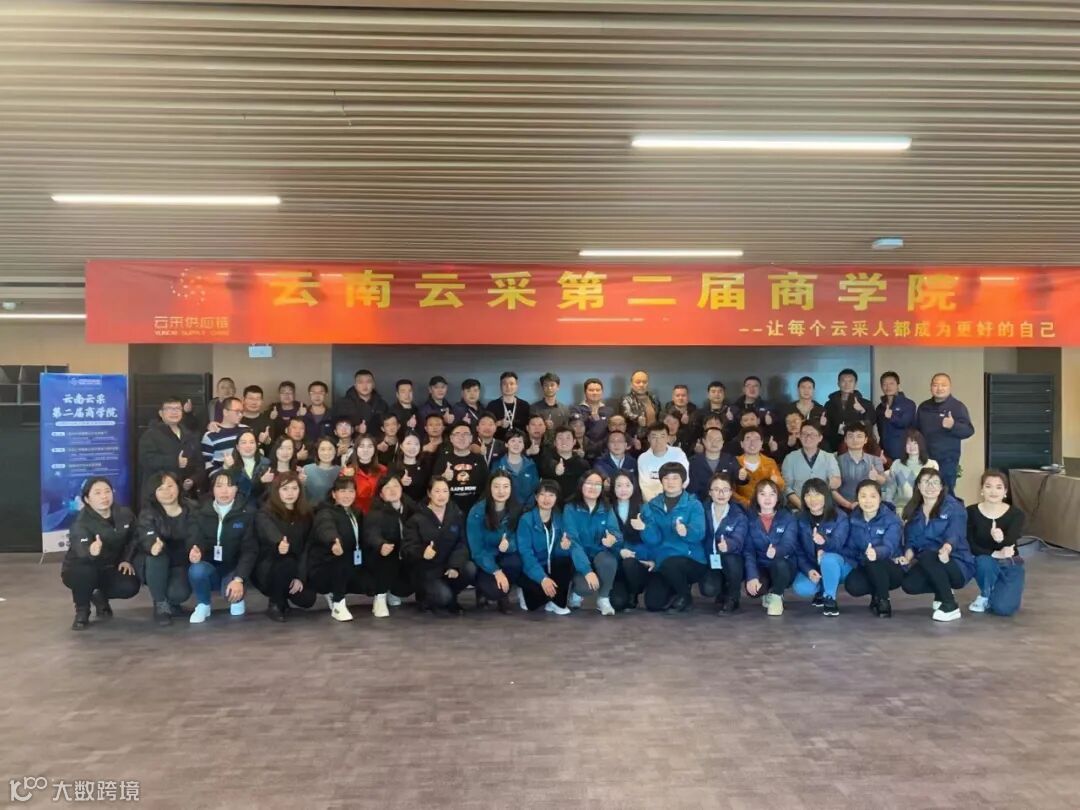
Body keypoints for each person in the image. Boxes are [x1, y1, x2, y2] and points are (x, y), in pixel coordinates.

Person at [61, 477, 140, 630]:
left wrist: (126, 560)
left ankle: (99, 595)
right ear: (87, 499)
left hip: (109, 567)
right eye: (97, 493)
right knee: (85, 571)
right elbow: (80, 548)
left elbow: (134, 538)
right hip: (80, 569)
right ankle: (82, 610)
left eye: (107, 491)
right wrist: (91, 550)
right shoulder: (81, 522)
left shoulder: (124, 513)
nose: (104, 496)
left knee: (130, 586)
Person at [900, 467, 975, 622]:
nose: (931, 486)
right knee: (909, 584)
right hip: (929, 562)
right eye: (926, 482)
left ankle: (950, 605)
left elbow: (955, 534)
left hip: (955, 562)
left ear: (941, 487)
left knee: (928, 556)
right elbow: (911, 542)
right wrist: (907, 556)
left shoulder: (954, 507)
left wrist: (947, 548)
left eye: (935, 482)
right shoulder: (913, 511)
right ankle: (943, 591)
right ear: (918, 486)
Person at [187, 470, 258, 623]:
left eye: (229, 486)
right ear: (212, 489)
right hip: (211, 566)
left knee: (234, 604)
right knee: (197, 570)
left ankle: (238, 595)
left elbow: (249, 550)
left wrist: (239, 578)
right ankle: (203, 604)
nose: (224, 491)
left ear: (236, 489)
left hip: (234, 569)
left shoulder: (247, 513)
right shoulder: (201, 512)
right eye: (219, 486)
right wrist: (195, 550)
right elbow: (194, 538)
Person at [635, 462, 706, 612]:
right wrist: (644, 528)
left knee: (671, 564)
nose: (670, 482)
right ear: (661, 481)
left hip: (690, 559)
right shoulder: (652, 506)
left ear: (683, 481)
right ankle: (675, 588)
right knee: (653, 604)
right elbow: (654, 540)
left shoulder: (694, 504)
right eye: (666, 478)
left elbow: (700, 533)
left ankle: (684, 595)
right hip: (662, 560)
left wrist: (686, 531)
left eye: (675, 478)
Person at [401, 478, 476, 613]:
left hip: (448, 566)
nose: (441, 495)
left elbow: (462, 543)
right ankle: (426, 597)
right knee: (443, 597)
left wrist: (454, 565)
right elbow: (407, 548)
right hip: (427, 571)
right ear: (429, 493)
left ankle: (451, 596)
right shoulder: (416, 518)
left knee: (470, 569)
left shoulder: (457, 514)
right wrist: (422, 552)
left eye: (445, 491)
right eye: (437, 491)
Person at [516, 479, 589, 614]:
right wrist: (542, 578)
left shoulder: (559, 518)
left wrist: (563, 547)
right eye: (543, 495)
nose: (547, 499)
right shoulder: (526, 520)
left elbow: (559, 553)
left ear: (556, 498)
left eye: (551, 495)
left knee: (565, 562)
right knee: (533, 605)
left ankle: (555, 602)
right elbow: (526, 553)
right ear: (536, 497)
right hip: (533, 568)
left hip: (552, 567)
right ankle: (525, 591)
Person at [137, 471, 197, 625]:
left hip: (181, 561)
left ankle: (171, 603)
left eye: (170, 486)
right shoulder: (148, 512)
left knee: (179, 594)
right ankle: (160, 604)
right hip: (156, 563)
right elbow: (145, 534)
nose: (167, 492)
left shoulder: (192, 508)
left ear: (178, 486)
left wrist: (196, 548)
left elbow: (196, 534)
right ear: (154, 493)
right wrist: (152, 545)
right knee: (157, 555)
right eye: (160, 489)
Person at [253, 472, 315, 621]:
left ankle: (283, 596)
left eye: (294, 488)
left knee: (307, 599)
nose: (290, 493)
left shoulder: (306, 514)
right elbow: (269, 531)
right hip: (268, 566)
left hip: (295, 565)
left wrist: (300, 577)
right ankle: (275, 603)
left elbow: (306, 548)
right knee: (286, 563)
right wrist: (278, 543)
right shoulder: (265, 513)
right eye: (285, 489)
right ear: (277, 491)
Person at [562, 471, 623, 615]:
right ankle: (576, 593)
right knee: (586, 587)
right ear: (581, 485)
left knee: (608, 561)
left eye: (597, 484)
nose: (593, 487)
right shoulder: (570, 508)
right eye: (589, 483)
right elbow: (573, 542)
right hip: (578, 557)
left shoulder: (606, 508)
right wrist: (587, 571)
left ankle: (603, 598)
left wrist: (613, 539)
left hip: (599, 553)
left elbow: (616, 533)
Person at [842, 479, 905, 617]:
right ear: (857, 499)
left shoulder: (891, 519)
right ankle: (876, 594)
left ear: (880, 498)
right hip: (864, 564)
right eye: (863, 496)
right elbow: (848, 547)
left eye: (872, 496)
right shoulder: (853, 519)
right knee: (853, 585)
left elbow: (890, 546)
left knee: (874, 560)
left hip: (891, 567)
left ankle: (884, 600)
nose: (868, 501)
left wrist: (876, 552)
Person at [967, 470, 1026, 616]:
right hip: (984, 562)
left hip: (1009, 563)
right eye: (988, 486)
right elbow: (969, 544)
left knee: (1003, 609)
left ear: (1005, 491)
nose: (993, 491)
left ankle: (995, 594)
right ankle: (986, 594)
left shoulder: (1016, 514)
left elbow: (1010, 542)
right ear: (982, 490)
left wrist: (1000, 540)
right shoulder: (970, 512)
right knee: (984, 562)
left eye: (999, 487)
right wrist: (995, 553)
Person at [307, 476, 366, 622]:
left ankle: (334, 592)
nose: (347, 495)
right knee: (340, 560)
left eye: (351, 491)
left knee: (368, 583)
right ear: (334, 494)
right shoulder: (325, 512)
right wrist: (333, 541)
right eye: (342, 491)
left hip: (351, 562)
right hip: (324, 565)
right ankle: (338, 604)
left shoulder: (356, 512)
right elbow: (326, 528)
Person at [466, 471, 525, 613]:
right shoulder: (477, 511)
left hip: (504, 556)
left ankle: (504, 595)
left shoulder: (517, 509)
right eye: (496, 486)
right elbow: (477, 549)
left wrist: (509, 545)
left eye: (505, 486)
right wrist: (496, 571)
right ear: (489, 488)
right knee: (492, 591)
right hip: (483, 559)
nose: (501, 491)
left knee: (516, 562)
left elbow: (520, 538)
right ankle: (482, 590)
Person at [790, 480, 851, 616]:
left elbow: (839, 544)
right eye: (808, 495)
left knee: (828, 559)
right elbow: (798, 550)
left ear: (826, 496)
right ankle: (821, 589)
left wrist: (824, 542)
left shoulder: (840, 517)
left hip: (838, 564)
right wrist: (808, 570)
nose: (813, 499)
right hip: (813, 565)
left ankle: (829, 597)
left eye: (817, 494)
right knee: (801, 587)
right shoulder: (799, 519)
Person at [362, 473, 417, 616]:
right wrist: (380, 544)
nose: (392, 490)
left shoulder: (411, 508)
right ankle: (380, 597)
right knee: (386, 557)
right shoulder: (376, 513)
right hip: (383, 558)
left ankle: (394, 591)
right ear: (381, 494)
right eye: (387, 488)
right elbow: (371, 533)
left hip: (404, 556)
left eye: (396, 486)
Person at [743, 479, 798, 616]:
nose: (767, 498)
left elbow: (789, 544)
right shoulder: (749, 518)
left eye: (772, 494)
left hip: (783, 564)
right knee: (754, 591)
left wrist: (777, 551)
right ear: (756, 497)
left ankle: (777, 595)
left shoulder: (788, 517)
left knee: (780, 564)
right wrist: (752, 576)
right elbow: (748, 551)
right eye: (762, 494)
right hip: (761, 565)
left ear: (778, 497)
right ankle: (767, 591)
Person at [916, 373, 975, 494]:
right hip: (925, 459)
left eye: (943, 385)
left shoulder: (957, 407)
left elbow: (969, 430)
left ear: (950, 387)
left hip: (947, 460)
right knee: (925, 492)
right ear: (931, 387)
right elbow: (916, 431)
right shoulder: (924, 407)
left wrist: (953, 425)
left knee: (946, 493)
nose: (939, 388)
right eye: (935, 385)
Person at [698, 472, 748, 614]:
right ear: (710, 492)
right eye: (716, 489)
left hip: (731, 560)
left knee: (731, 558)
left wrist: (729, 545)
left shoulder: (739, 514)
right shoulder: (701, 510)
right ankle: (722, 589)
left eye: (725, 489)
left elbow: (739, 539)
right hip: (710, 560)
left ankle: (733, 597)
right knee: (708, 589)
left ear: (731, 492)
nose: (721, 494)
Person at [136, 395, 204, 500]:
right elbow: (146, 460)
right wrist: (175, 461)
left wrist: (193, 479)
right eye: (169, 409)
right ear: (161, 413)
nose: (174, 412)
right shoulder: (151, 435)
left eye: (177, 409)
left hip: (185, 494)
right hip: (159, 493)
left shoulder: (190, 435)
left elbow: (199, 463)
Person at [608, 470, 649, 611]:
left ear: (634, 486)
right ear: (613, 488)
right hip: (616, 561)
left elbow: (653, 539)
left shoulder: (644, 508)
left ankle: (634, 592)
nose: (623, 489)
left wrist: (644, 528)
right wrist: (619, 551)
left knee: (629, 563)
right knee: (617, 603)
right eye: (619, 485)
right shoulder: (607, 507)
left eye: (627, 485)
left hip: (637, 561)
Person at [780, 420, 841, 510]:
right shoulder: (790, 458)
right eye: (804, 434)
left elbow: (836, 480)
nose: (808, 437)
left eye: (812, 434)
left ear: (820, 438)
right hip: (798, 508)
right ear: (799, 436)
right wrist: (802, 506)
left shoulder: (829, 457)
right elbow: (786, 487)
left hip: (824, 508)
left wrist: (834, 482)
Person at [436, 422, 489, 512]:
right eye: (457, 434)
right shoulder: (443, 459)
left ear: (471, 438)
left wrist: (478, 507)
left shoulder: (479, 459)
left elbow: (486, 485)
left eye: (466, 434)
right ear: (451, 438)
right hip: (448, 508)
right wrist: (443, 477)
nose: (462, 437)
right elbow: (433, 485)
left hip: (475, 508)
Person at [881, 430, 938, 513]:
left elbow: (935, 490)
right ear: (904, 446)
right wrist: (888, 509)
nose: (912, 446)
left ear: (921, 445)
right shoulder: (897, 464)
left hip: (924, 508)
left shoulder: (931, 464)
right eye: (908, 443)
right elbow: (890, 489)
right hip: (901, 508)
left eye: (915, 443)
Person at [833, 423, 885, 512]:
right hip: (844, 507)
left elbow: (883, 481)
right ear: (845, 440)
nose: (855, 440)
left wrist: (876, 477)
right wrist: (849, 505)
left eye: (859, 436)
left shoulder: (875, 460)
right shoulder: (836, 461)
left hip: (870, 506)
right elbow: (833, 490)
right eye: (850, 436)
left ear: (865, 440)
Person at [822, 369, 874, 453]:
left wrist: (862, 410)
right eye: (843, 381)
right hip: (834, 446)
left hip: (858, 446)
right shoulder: (829, 404)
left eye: (850, 381)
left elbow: (871, 422)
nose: (847, 384)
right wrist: (823, 425)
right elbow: (827, 429)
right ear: (838, 383)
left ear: (855, 384)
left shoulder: (865, 403)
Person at [637, 421, 690, 502]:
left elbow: (684, 480)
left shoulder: (678, 453)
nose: (658, 441)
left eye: (662, 436)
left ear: (668, 438)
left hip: (677, 500)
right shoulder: (643, 458)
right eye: (654, 437)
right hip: (653, 502)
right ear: (648, 438)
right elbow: (645, 487)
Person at [733, 426, 784, 508]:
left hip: (766, 507)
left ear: (761, 443)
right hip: (741, 508)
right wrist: (746, 503)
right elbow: (730, 489)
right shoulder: (734, 462)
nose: (752, 442)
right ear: (742, 444)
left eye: (756, 439)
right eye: (748, 439)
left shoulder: (770, 462)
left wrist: (776, 481)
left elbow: (781, 485)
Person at [539, 426, 590, 504]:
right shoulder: (546, 460)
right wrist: (555, 469)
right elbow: (548, 466)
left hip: (575, 505)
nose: (564, 441)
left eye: (568, 438)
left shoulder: (583, 464)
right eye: (560, 438)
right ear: (555, 442)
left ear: (574, 442)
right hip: (551, 505)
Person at [688, 426, 739, 502]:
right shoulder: (693, 462)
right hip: (698, 503)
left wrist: (743, 476)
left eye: (718, 440)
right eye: (711, 439)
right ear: (704, 441)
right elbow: (691, 489)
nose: (714, 443)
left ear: (723, 442)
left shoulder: (730, 460)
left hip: (725, 502)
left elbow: (740, 479)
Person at [875, 371, 916, 462]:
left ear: (898, 385)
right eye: (884, 384)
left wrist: (891, 417)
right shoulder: (880, 407)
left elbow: (905, 423)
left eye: (891, 383)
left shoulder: (908, 404)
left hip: (903, 452)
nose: (888, 387)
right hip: (885, 453)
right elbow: (880, 430)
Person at [200, 396, 249, 473]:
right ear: (225, 412)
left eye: (242, 412)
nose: (240, 415)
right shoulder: (210, 436)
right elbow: (207, 465)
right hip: (223, 478)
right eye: (237, 411)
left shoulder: (246, 430)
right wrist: (221, 473)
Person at [492, 429, 539, 506]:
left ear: (523, 445)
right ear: (506, 444)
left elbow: (535, 489)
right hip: (503, 509)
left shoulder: (531, 466)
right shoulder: (497, 465)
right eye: (513, 441)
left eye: (520, 442)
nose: (516, 444)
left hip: (526, 509)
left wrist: (528, 508)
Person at [221, 429, 272, 501]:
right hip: (237, 504)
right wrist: (225, 468)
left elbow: (267, 493)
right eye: (243, 443)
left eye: (252, 442)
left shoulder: (266, 463)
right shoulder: (231, 464)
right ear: (237, 447)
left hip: (261, 504)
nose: (248, 446)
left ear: (256, 445)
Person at [340, 435, 386, 514]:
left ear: (375, 449)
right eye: (361, 446)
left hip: (378, 513)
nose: (365, 450)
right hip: (353, 512)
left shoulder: (383, 470)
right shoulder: (347, 471)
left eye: (370, 446)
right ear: (356, 449)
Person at [334, 368, 389, 433]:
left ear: (373, 385)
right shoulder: (343, 403)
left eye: (368, 382)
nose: (364, 385)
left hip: (376, 438)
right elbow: (336, 425)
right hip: (351, 439)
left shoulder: (382, 404)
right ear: (355, 385)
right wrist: (356, 428)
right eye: (360, 382)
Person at [569, 378, 613, 456]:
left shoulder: (609, 411)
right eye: (591, 390)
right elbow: (575, 429)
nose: (595, 393)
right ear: (585, 392)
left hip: (604, 451)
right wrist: (589, 420)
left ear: (602, 392)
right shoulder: (576, 409)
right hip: (583, 451)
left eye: (598, 390)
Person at [486, 371, 531, 442]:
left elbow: (529, 427)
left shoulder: (525, 406)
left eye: (511, 384)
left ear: (516, 386)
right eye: (505, 384)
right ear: (500, 386)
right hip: (498, 443)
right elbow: (486, 427)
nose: (508, 387)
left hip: (519, 444)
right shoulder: (492, 405)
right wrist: (499, 423)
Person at [621, 370, 661, 442]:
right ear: (631, 384)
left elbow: (659, 416)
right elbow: (627, 414)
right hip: (636, 439)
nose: (641, 385)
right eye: (638, 382)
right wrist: (638, 418)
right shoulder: (626, 399)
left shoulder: (654, 398)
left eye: (644, 382)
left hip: (654, 437)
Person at [393, 432, 433, 503]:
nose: (412, 447)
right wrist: (400, 483)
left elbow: (430, 488)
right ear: (401, 446)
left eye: (416, 444)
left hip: (422, 506)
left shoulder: (425, 465)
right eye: (408, 443)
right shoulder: (393, 467)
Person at [302, 437, 341, 505]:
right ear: (317, 451)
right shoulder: (307, 469)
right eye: (322, 449)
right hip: (311, 510)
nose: (326, 453)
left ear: (335, 451)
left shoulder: (340, 470)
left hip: (334, 510)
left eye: (330, 449)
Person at [238, 385, 274, 450]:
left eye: (257, 399)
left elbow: (273, 448)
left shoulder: (268, 421)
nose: (254, 402)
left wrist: (267, 441)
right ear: (243, 400)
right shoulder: (236, 420)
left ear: (262, 401)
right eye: (251, 398)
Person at [664, 384, 699, 451]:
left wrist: (687, 425)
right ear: (673, 398)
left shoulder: (695, 414)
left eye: (683, 395)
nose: (680, 398)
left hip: (689, 450)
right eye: (677, 395)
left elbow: (696, 435)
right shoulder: (665, 414)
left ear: (688, 397)